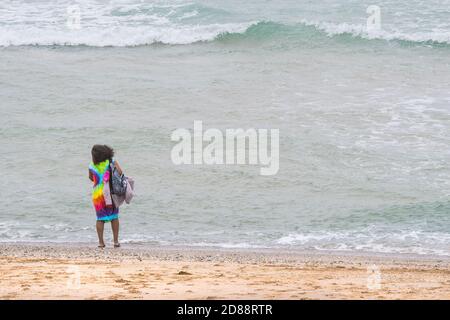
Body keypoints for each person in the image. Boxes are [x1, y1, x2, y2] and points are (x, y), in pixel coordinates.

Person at [88, 144, 123, 248]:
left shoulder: (91, 165)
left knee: (100, 218)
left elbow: (91, 178)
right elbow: (120, 173)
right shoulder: (111, 162)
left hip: (98, 195)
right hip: (110, 193)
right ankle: (116, 241)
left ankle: (101, 242)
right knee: (114, 217)